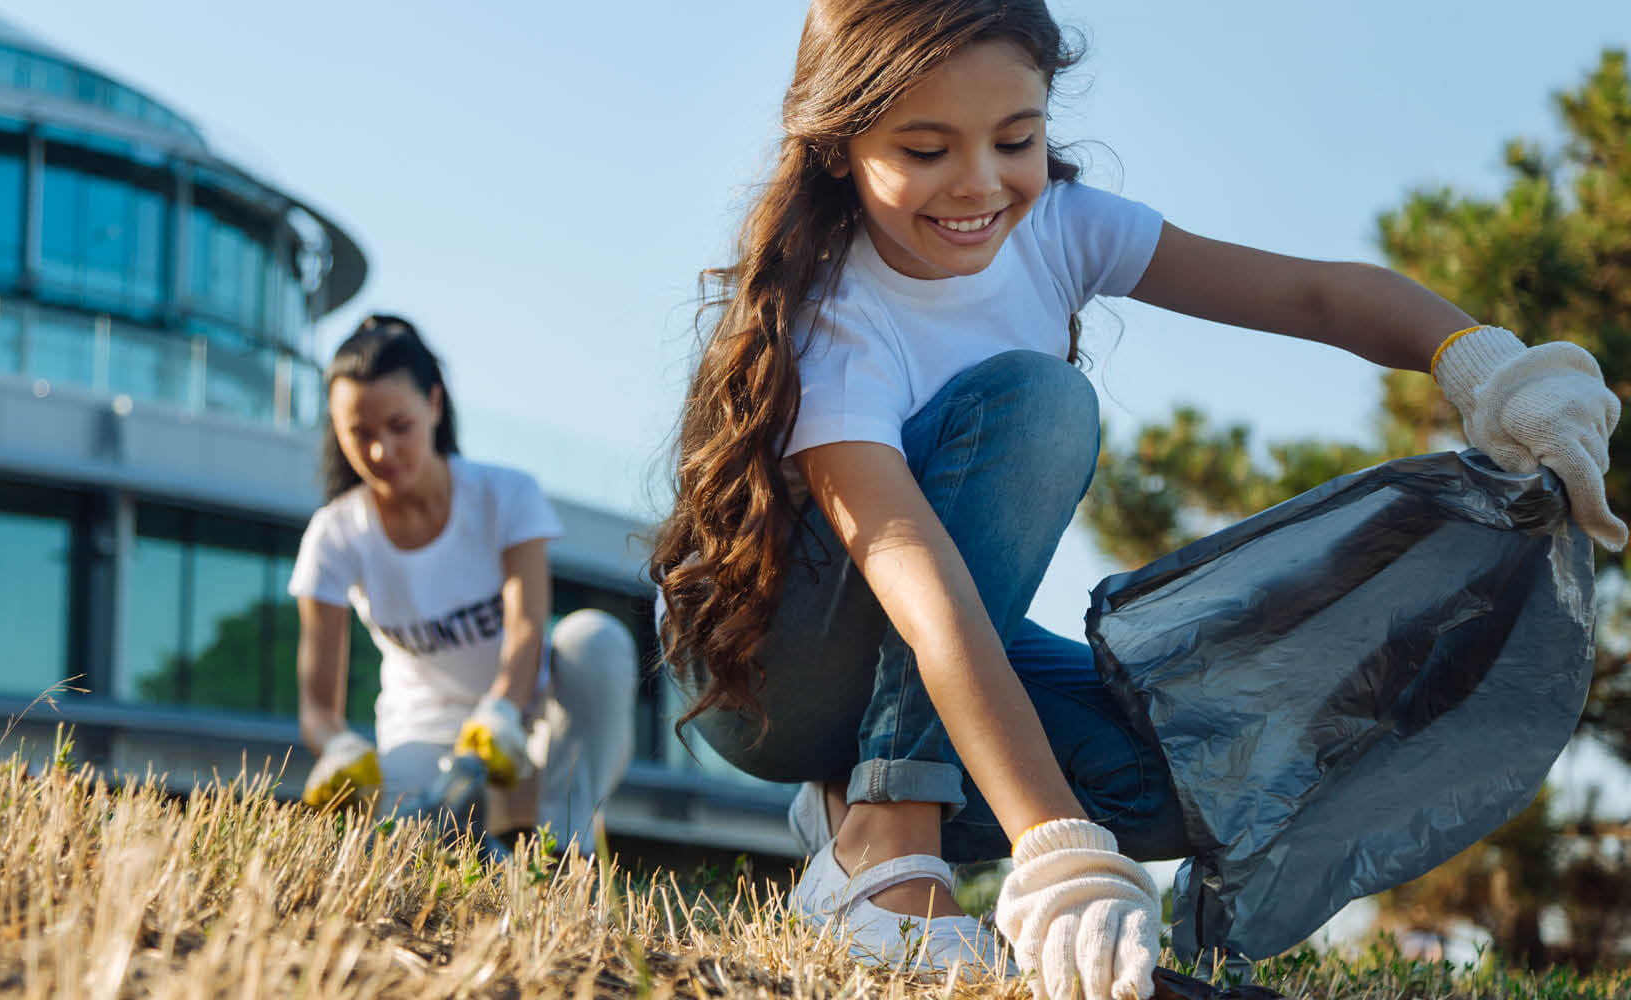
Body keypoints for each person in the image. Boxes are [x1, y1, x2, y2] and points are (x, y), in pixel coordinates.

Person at [646, 2, 1624, 998]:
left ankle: (853, 810)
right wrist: (1052, 842)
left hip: (911, 649)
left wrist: (1489, 369)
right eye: (925, 147)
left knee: (1177, 777)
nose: (979, 181)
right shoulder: (834, 318)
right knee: (1037, 406)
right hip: (757, 666)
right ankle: (886, 843)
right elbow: (927, 595)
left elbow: (1313, 296)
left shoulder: (1060, 228)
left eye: (1014, 139)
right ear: (836, 147)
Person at [290, 314, 638, 854]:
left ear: (433, 404)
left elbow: (526, 629)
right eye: (360, 434)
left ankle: (566, 855)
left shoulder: (505, 495)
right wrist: (336, 746)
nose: (381, 452)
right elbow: (317, 707)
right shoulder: (334, 536)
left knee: (597, 639)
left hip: (531, 728)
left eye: (399, 427)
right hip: (424, 738)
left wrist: (500, 712)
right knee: (403, 848)